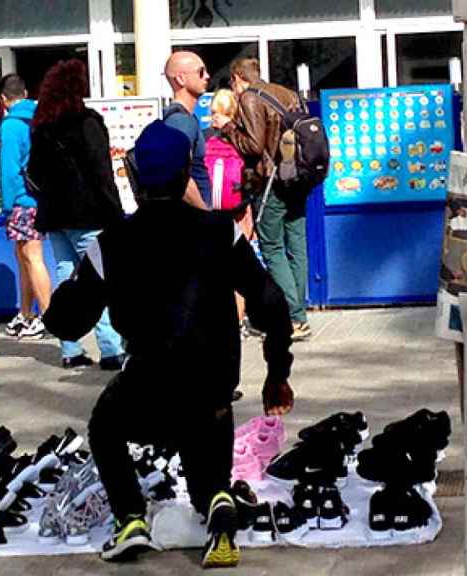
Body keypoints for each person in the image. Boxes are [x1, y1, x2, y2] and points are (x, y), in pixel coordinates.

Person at [42, 121, 295, 567]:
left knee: (105, 425)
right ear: (185, 176)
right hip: (212, 385)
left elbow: (67, 321)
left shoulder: (113, 243)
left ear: (136, 177)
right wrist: (277, 373)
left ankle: (131, 519)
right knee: (209, 430)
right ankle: (217, 503)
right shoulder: (222, 232)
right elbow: (271, 303)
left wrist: (59, 294)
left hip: (148, 385)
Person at [29, 59, 126, 370]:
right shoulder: (88, 122)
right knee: (102, 281)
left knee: (65, 277)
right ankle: (110, 349)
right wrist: (116, 213)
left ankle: (70, 348)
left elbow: (33, 173)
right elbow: (102, 172)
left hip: (55, 215)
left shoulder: (41, 126)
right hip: (90, 215)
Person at [215, 57, 312, 341]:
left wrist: (228, 127)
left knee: (271, 247)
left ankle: (293, 317)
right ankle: (300, 314)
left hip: (271, 183)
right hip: (297, 179)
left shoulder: (249, 98)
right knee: (297, 244)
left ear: (236, 78)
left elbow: (255, 146)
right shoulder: (286, 93)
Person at [0, 73, 50, 340]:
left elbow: (9, 170)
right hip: (43, 198)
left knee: (32, 257)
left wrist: (7, 207)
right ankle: (27, 313)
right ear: (26, 93)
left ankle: (51, 318)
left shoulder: (11, 126)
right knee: (24, 258)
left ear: (3, 99)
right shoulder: (42, 119)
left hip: (22, 200)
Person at [204, 88, 257, 337]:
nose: (213, 117)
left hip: (212, 212)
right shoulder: (243, 141)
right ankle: (236, 321)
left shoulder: (204, 139)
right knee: (240, 268)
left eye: (216, 112)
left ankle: (218, 321)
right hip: (238, 210)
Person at [163, 50, 212, 210]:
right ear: (181, 78)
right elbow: (177, 174)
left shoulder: (184, 118)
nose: (207, 76)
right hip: (192, 221)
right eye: (201, 72)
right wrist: (204, 212)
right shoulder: (180, 121)